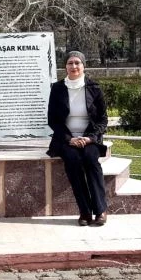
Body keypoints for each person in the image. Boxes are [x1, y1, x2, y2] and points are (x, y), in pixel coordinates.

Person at [46, 51, 109, 226]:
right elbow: (52, 120)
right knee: (73, 160)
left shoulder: (94, 88)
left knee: (90, 159)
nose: (73, 66)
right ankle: (85, 211)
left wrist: (90, 138)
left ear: (83, 66)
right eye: (70, 63)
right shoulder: (57, 89)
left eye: (77, 63)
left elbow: (103, 119)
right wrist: (69, 139)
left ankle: (101, 209)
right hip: (66, 138)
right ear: (65, 66)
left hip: (89, 137)